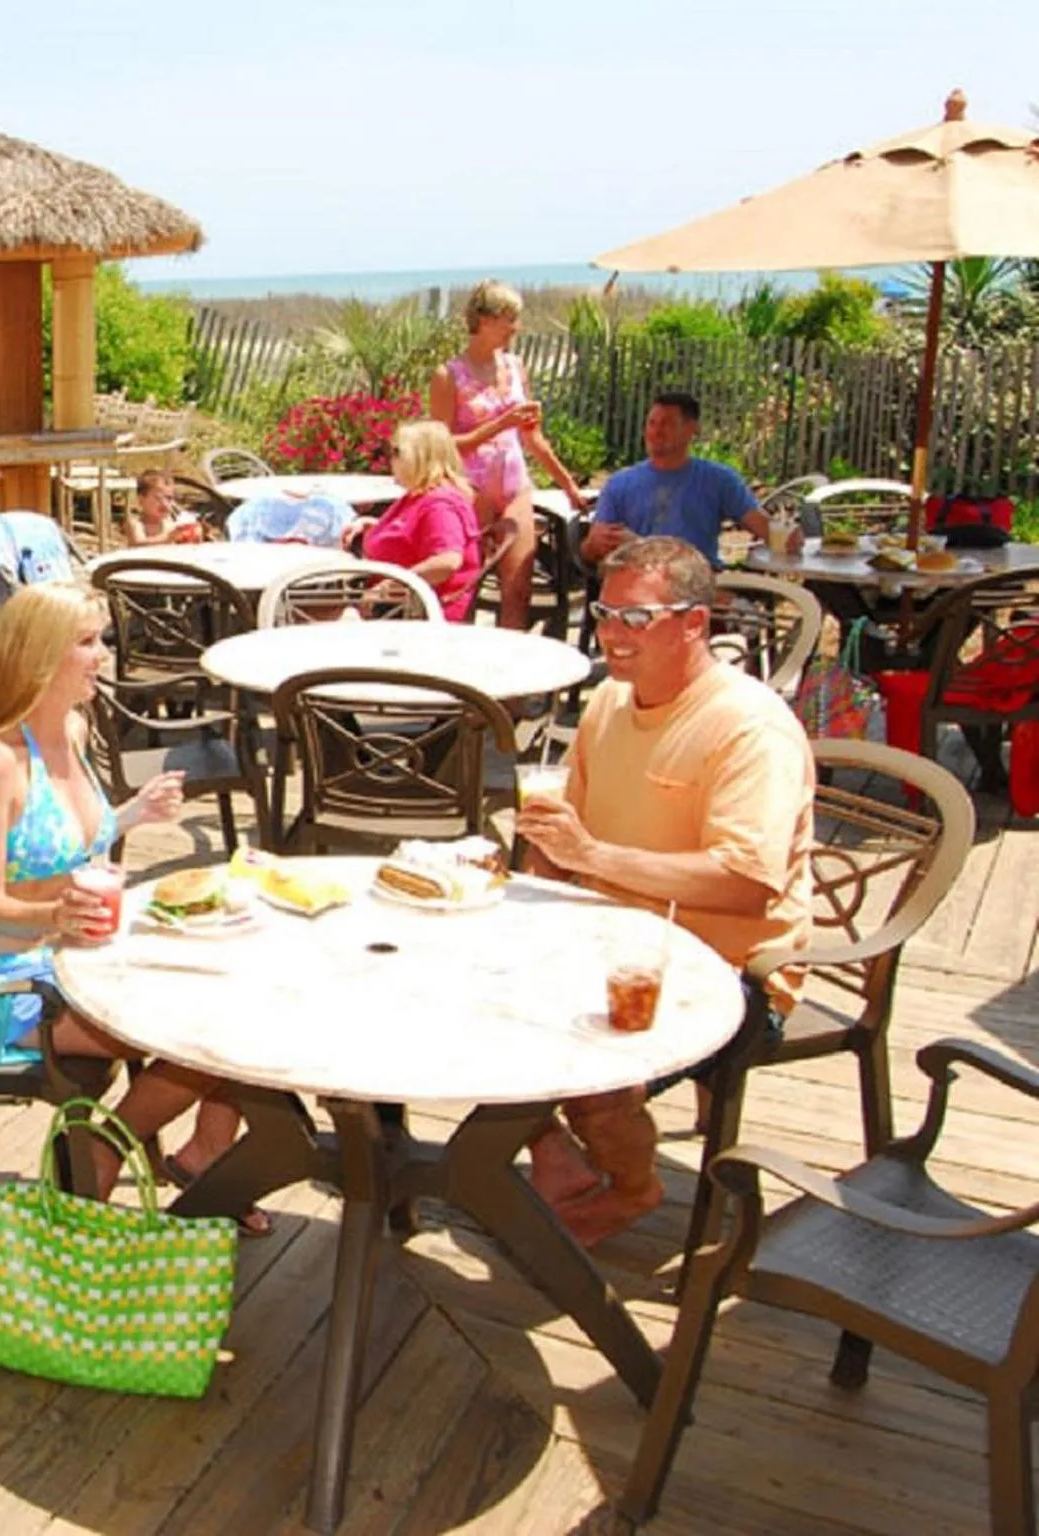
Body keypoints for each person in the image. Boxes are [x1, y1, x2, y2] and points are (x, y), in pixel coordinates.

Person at [515, 536, 814, 1246]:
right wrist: (520, 902)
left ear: (694, 623)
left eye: (637, 618)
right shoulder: (609, 702)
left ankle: (633, 1190)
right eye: (605, 614)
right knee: (456, 986)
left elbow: (746, 884)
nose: (613, 635)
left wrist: (595, 857)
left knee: (589, 1061)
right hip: (610, 940)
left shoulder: (748, 727)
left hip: (727, 970)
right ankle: (554, 1158)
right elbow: (560, 839)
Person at [0, 583, 267, 1230]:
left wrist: (133, 813)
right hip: (19, 986)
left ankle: (201, 1152)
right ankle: (109, 1148)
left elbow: (74, 839)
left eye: (100, 639)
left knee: (242, 985)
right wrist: (54, 917)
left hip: (90, 951)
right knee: (203, 1032)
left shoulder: (73, 727)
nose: (103, 654)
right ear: (41, 654)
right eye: (87, 641)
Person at [428, 280, 588, 630]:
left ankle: (508, 658)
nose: (516, 328)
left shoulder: (515, 367)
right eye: (510, 319)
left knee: (518, 590)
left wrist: (568, 486)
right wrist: (499, 425)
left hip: (514, 487)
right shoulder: (448, 375)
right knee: (464, 590)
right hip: (469, 490)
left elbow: (533, 437)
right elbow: (441, 446)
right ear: (486, 320)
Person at [580, 392, 788, 566]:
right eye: (651, 423)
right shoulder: (619, 484)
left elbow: (768, 531)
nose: (656, 432)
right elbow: (588, 554)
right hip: (639, 587)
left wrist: (788, 538)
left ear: (692, 429)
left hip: (700, 585)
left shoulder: (719, 480)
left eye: (667, 424)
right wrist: (592, 546)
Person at [343, 420, 484, 620]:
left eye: (396, 452)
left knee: (319, 616)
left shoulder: (439, 504)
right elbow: (413, 531)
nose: (390, 459)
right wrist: (373, 527)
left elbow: (447, 561)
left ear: (418, 457)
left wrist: (391, 586)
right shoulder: (420, 494)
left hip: (416, 613)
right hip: (394, 605)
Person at [122, 469, 203, 547]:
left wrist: (193, 537)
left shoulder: (171, 524)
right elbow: (138, 544)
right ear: (141, 500)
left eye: (169, 498)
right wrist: (168, 537)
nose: (164, 503)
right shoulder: (135, 524)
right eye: (158, 498)